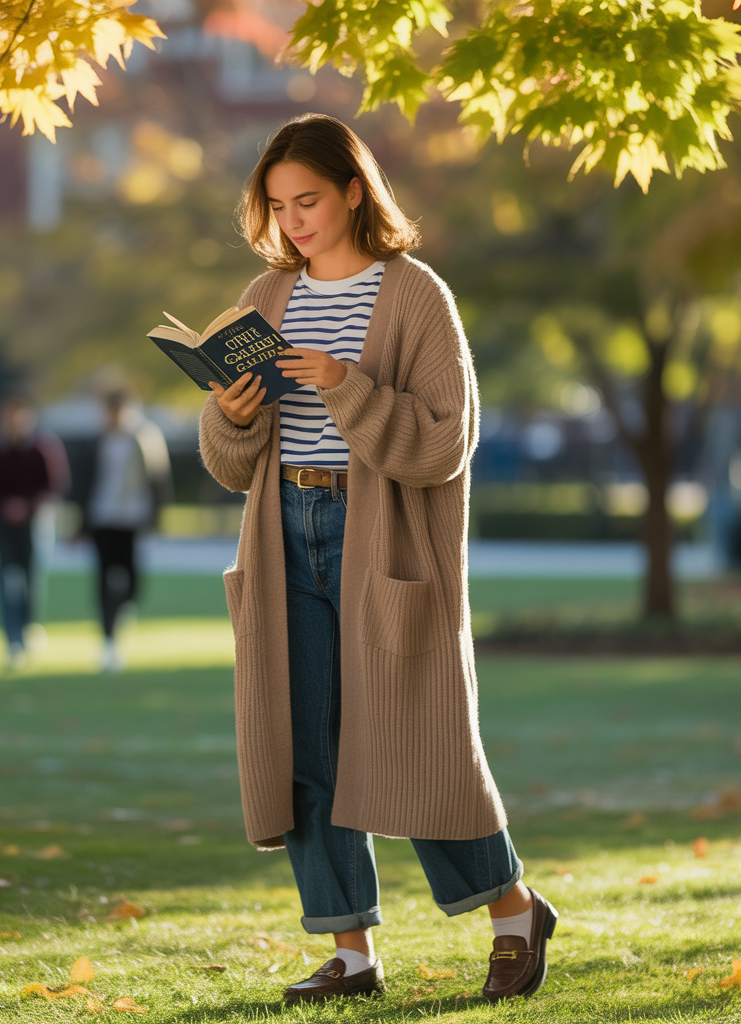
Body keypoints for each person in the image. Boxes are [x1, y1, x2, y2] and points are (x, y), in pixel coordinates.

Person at [198, 113, 557, 1004]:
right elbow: (229, 464)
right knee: (303, 750)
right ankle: (349, 953)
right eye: (279, 207)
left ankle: (514, 911)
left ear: (355, 190)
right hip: (284, 533)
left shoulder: (416, 294)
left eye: (309, 200)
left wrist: (346, 386)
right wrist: (233, 415)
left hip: (382, 541)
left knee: (421, 745)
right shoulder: (265, 298)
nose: (294, 222)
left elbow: (445, 445)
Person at [68, 389, 172, 671]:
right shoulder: (95, 442)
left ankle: (121, 616)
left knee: (131, 580)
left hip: (133, 519)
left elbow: (159, 482)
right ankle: (108, 639)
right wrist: (78, 525)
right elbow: (82, 485)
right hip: (102, 518)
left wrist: (157, 520)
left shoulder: (145, 439)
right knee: (104, 578)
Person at [0, 390, 69, 669]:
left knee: (32, 578)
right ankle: (12, 639)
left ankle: (27, 628)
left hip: (35, 523)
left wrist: (28, 507)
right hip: (2, 525)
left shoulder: (42, 447)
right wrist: (5, 507)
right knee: (5, 579)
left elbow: (54, 486)